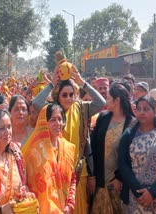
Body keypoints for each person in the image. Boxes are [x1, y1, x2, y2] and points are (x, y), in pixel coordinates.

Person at [32, 65, 106, 214]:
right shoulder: (53, 112)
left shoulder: (82, 109)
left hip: (79, 171)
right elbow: (36, 103)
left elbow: (101, 103)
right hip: (55, 172)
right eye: (64, 95)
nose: (68, 98)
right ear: (57, 96)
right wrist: (52, 83)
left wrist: (82, 82)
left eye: (71, 94)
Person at [119, 95, 156, 213]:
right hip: (135, 197)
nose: (141, 112)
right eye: (139, 109)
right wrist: (138, 192)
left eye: (146, 109)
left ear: (154, 110)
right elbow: (123, 165)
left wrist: (152, 193)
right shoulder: (128, 135)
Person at [90, 83, 137, 213]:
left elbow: (131, 157)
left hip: (119, 183)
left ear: (117, 101)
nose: (106, 101)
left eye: (109, 98)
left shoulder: (132, 124)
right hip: (100, 179)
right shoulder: (103, 118)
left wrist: (120, 178)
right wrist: (92, 176)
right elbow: (93, 147)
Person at [24, 103, 76, 213]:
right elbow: (28, 185)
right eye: (53, 120)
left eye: (60, 119)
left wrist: (70, 205)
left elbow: (73, 179)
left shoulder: (68, 148)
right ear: (44, 122)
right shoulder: (34, 153)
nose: (58, 123)